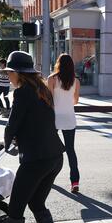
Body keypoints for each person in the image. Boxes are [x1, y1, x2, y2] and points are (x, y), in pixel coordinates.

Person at [0, 51, 65, 223]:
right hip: (54, 156)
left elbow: (13, 124)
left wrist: (7, 141)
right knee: (37, 205)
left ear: (17, 74)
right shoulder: (42, 89)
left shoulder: (23, 93)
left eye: (9, 73)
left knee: (15, 211)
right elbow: (40, 122)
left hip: (36, 160)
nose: (9, 77)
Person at [48, 54, 81, 193]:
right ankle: (75, 182)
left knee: (49, 149)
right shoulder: (76, 81)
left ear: (58, 64)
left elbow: (48, 100)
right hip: (69, 117)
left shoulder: (52, 79)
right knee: (71, 150)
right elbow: (76, 101)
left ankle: (47, 178)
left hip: (54, 117)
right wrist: (66, 103)